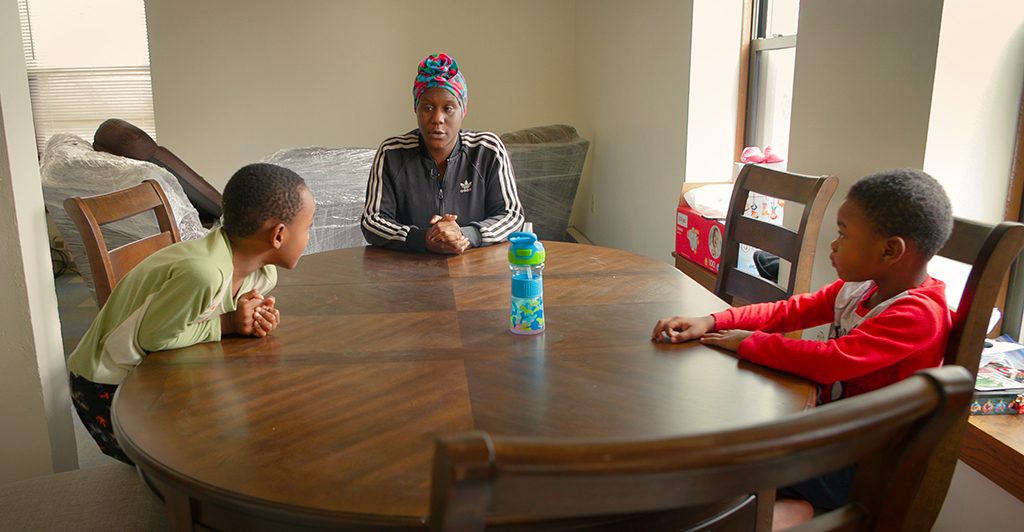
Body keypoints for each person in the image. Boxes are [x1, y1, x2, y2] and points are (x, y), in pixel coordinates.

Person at [651, 168, 954, 529]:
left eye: (843, 234)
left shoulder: (919, 314)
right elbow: (790, 310)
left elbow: (830, 362)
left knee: (731, 468)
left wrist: (748, 343)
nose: (834, 245)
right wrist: (715, 321)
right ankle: (799, 506)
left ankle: (794, 509)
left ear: (890, 250)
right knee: (727, 456)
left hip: (864, 461)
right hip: (831, 436)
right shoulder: (862, 289)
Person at [67, 163, 315, 464]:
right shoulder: (203, 274)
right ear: (278, 236)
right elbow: (155, 338)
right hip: (108, 388)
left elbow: (203, 316)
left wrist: (253, 318)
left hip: (155, 371)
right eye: (308, 227)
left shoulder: (262, 273)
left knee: (246, 425)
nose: (309, 236)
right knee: (208, 459)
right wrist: (229, 323)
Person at [361, 53, 524, 254]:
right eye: (427, 107)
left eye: (448, 108)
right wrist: (423, 238)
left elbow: (512, 216)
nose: (437, 118)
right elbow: (372, 221)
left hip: (477, 270)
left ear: (462, 109)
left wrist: (466, 235)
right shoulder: (392, 153)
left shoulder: (488, 150)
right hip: (408, 272)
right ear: (416, 109)